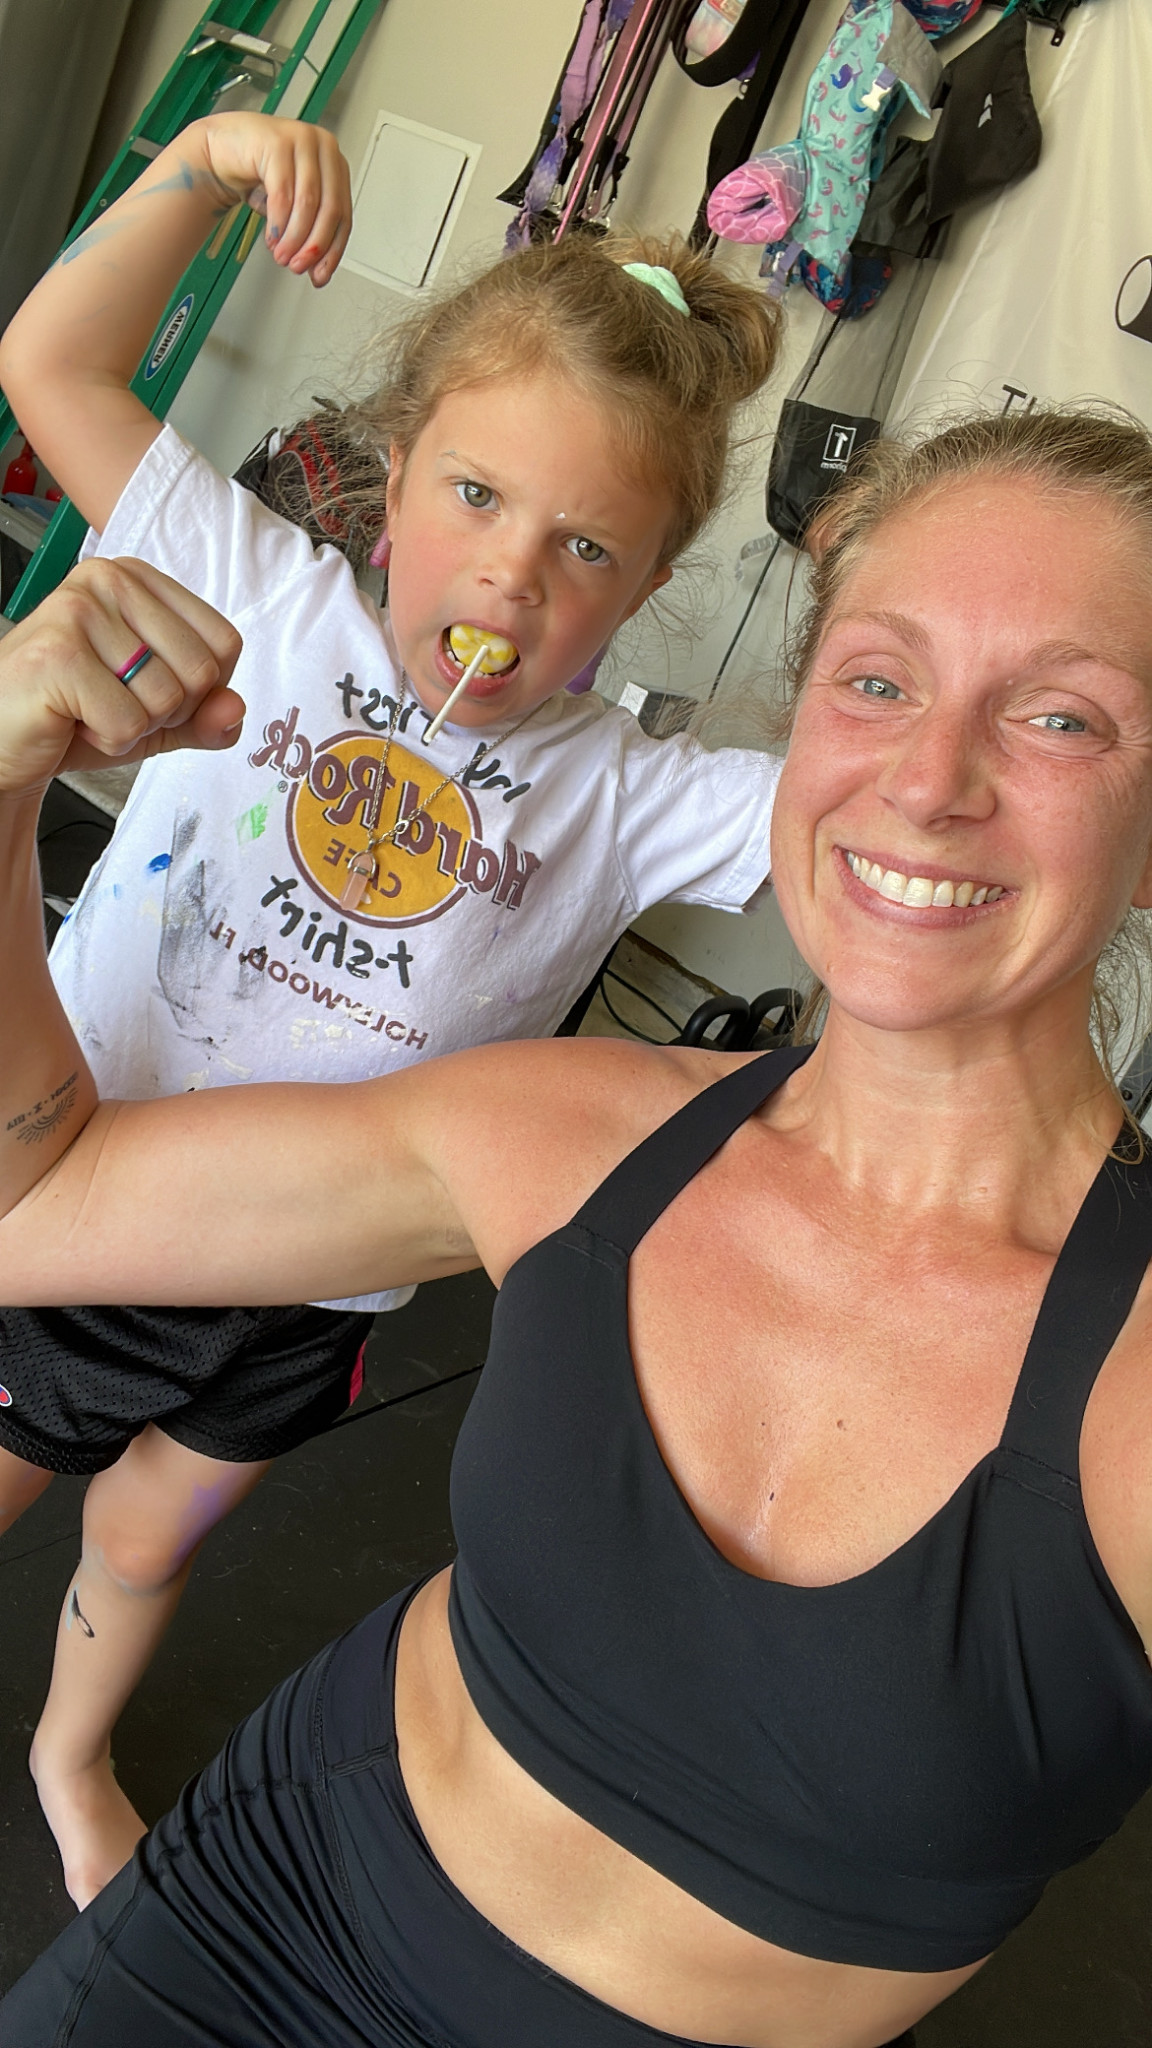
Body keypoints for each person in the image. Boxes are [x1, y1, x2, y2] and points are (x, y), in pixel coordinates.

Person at [4, 401, 1152, 2048]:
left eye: (1060, 717)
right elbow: (33, 1208)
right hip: (257, 1895)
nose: (926, 780)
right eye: (877, 682)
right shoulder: (569, 1136)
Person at [0, 114, 786, 1907]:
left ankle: (67, 1749)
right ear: (394, 466)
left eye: (588, 548)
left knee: (151, 1537)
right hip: (86, 1205)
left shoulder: (635, 793)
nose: (512, 577)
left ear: (651, 589)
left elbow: (872, 822)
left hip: (309, 1291)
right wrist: (206, 164)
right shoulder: (265, 594)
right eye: (478, 498)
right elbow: (52, 366)